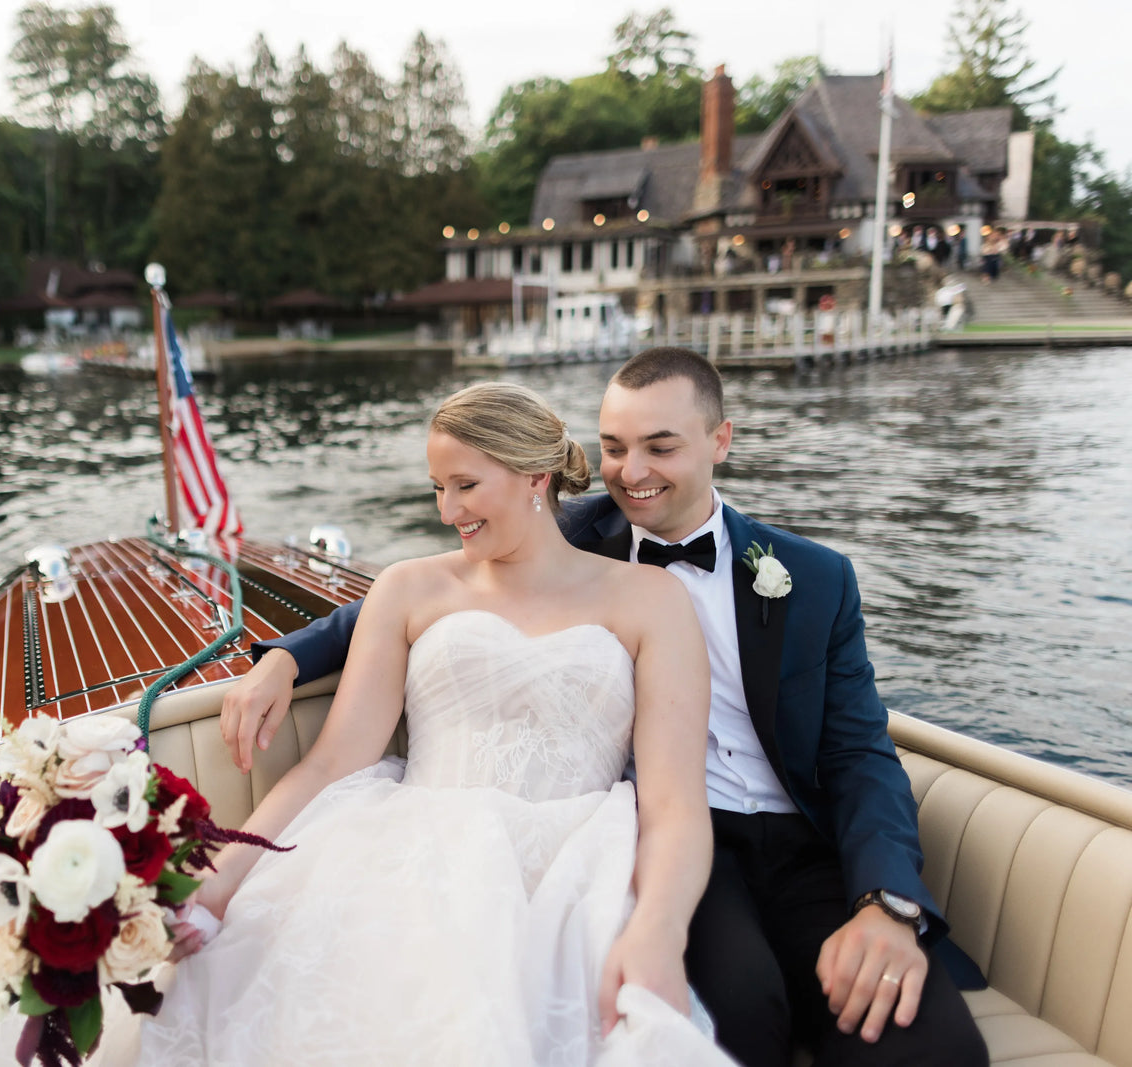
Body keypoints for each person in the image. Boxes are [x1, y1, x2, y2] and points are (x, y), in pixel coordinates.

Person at [226, 349, 988, 1067]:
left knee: (925, 1041)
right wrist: (285, 657)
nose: (632, 472)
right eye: (615, 447)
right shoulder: (561, 528)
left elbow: (859, 751)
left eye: (660, 446)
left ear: (720, 440)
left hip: (799, 841)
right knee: (734, 1012)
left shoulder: (814, 577)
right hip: (665, 835)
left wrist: (887, 903)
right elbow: (410, 600)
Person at [129, 382, 731, 1065]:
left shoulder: (652, 598)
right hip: (406, 854)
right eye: (437, 488)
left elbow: (675, 803)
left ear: (535, 474)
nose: (448, 511)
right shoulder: (409, 587)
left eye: (465, 485)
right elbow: (331, 763)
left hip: (576, 867)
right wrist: (218, 879)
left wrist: (660, 928)